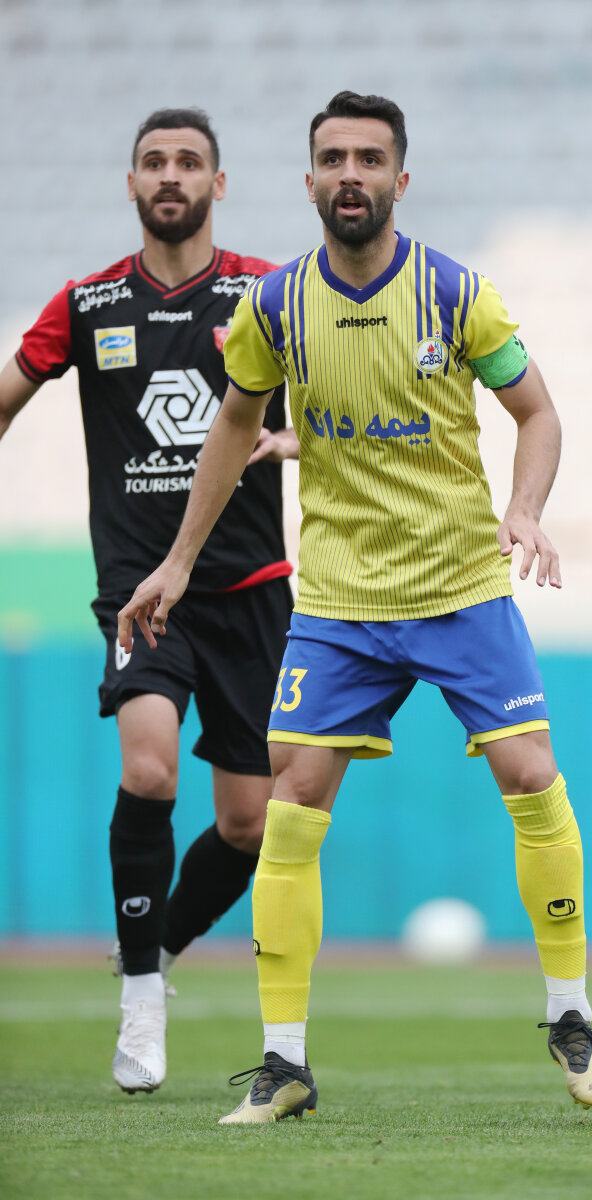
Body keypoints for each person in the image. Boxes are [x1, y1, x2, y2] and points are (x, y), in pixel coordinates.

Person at [119, 90, 592, 1123]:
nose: (350, 174)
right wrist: (176, 562)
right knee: (293, 800)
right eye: (333, 158)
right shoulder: (274, 307)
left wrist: (524, 509)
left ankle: (571, 1017)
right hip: (340, 602)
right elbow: (233, 427)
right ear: (308, 179)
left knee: (532, 774)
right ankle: (283, 1062)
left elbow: (536, 411)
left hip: (459, 586)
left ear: (400, 177)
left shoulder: (456, 294)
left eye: (369, 158)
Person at [0, 108, 297, 1094]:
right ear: (130, 184)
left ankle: (157, 948)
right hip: (142, 592)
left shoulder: (266, 294)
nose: (171, 176)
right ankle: (138, 1000)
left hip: (251, 591)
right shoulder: (87, 305)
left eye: (189, 162)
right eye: (154, 163)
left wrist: (292, 441)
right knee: (150, 766)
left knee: (249, 824)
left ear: (220, 183)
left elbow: (344, 405)